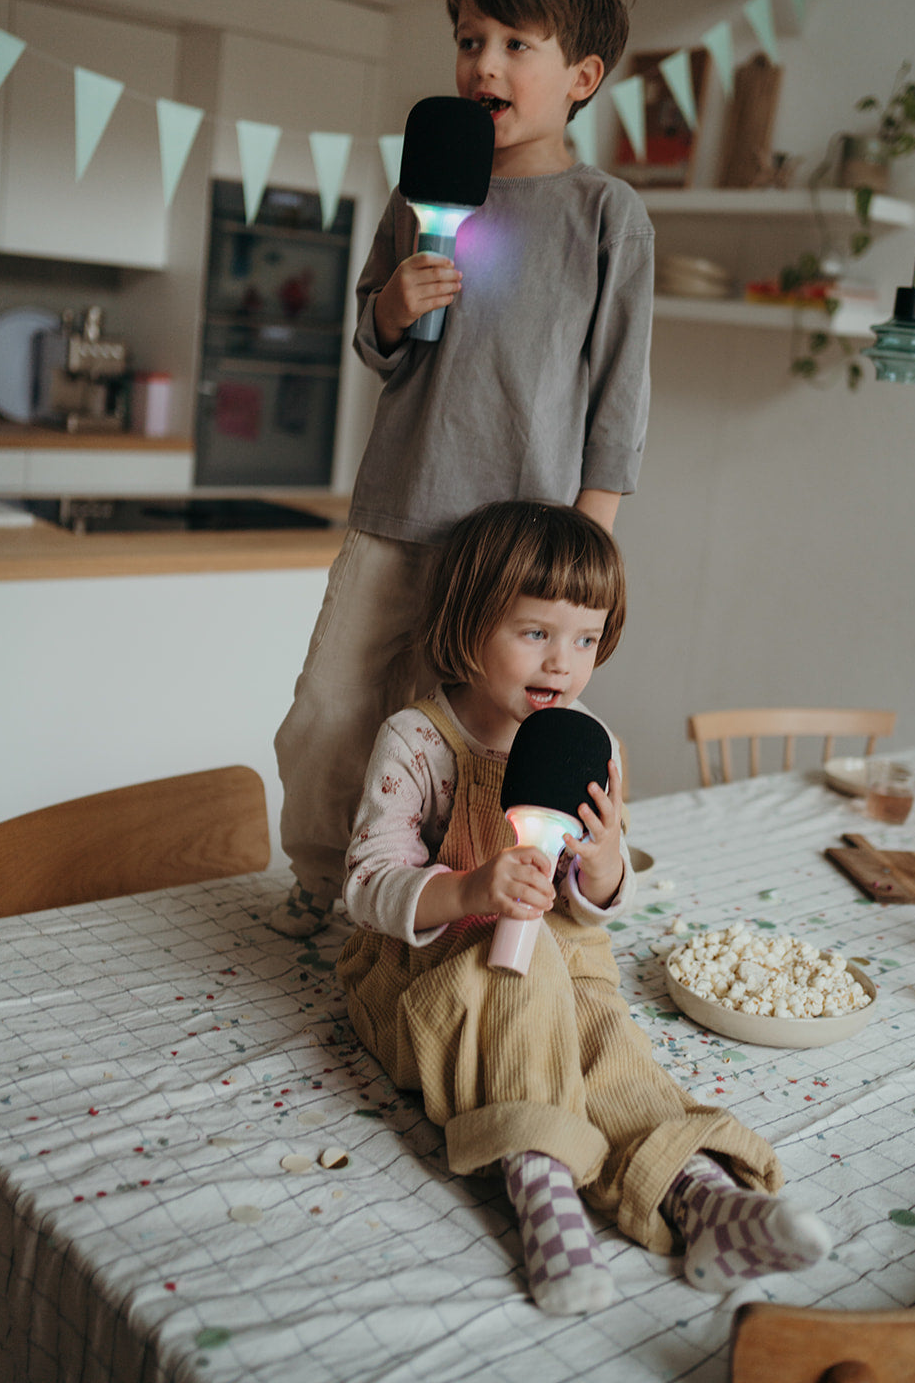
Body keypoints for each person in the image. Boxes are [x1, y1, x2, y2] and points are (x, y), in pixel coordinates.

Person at [336, 501, 832, 1316]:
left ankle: (698, 1194)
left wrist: (601, 866)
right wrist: (468, 890)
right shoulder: (417, 742)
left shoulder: (587, 741)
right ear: (467, 622)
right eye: (534, 632)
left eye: (585, 639)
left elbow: (597, 902)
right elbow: (366, 883)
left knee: (608, 1041)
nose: (560, 662)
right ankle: (542, 1189)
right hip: (434, 976)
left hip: (563, 961)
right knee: (527, 990)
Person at [270, 0, 654, 937]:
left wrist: (589, 543)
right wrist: (393, 307)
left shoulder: (606, 214)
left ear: (580, 77)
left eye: (515, 44)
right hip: (400, 511)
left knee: (470, 738)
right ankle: (325, 884)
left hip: (516, 547)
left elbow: (620, 396)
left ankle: (455, 897)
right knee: (332, 713)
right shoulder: (419, 192)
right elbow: (375, 339)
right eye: (469, 39)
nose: (483, 63)